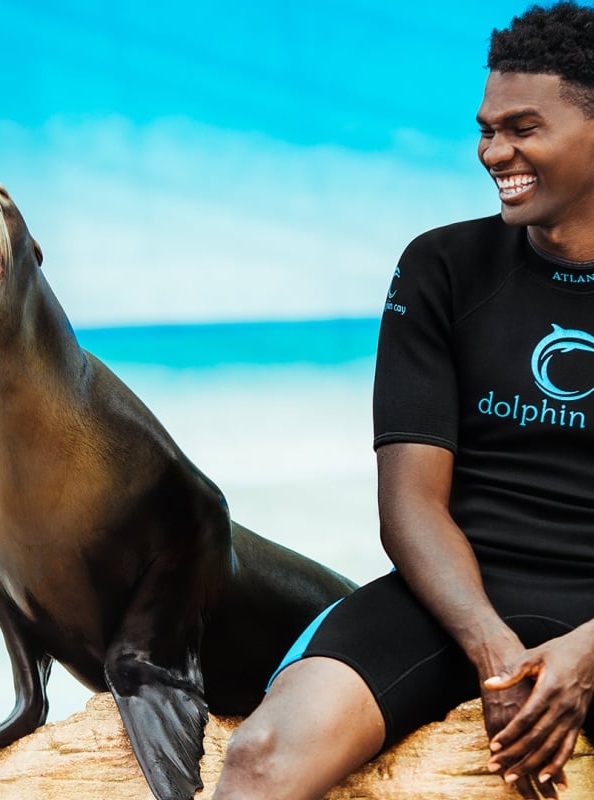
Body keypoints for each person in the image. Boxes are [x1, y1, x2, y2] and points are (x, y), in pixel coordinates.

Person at [212, 3, 594, 799]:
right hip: (458, 593)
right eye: (486, 130)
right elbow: (410, 507)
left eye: (523, 128)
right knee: (260, 759)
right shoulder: (442, 268)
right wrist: (496, 657)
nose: (495, 153)